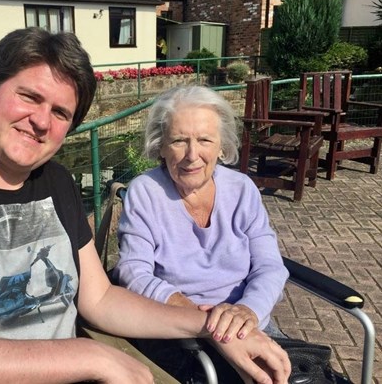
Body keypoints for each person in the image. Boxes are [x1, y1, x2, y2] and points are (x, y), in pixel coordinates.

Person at [0, 28, 290, 384]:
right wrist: (92, 355)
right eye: (29, 97)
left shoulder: (55, 183)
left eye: (61, 113)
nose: (42, 121)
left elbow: (99, 298)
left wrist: (213, 327)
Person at [113, 85, 290, 382]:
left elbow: (270, 266)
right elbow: (133, 272)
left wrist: (247, 311)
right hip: (181, 334)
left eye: (204, 140)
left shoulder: (242, 189)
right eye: (179, 141)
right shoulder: (145, 192)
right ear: (161, 146)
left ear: (222, 146)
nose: (192, 155)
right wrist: (199, 316)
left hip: (248, 324)